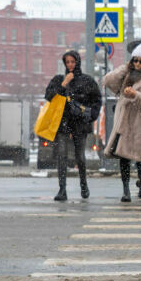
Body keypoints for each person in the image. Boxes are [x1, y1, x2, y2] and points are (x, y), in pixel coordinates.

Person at [103, 42, 141, 202]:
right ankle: (126, 190)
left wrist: (135, 95)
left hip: (139, 124)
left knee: (140, 159)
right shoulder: (127, 74)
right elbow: (108, 81)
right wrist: (125, 68)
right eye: (135, 60)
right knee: (124, 158)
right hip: (123, 123)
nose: (137, 64)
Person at [44, 50, 101, 201]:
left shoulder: (87, 81)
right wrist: (63, 84)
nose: (70, 65)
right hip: (63, 124)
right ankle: (62, 189)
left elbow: (96, 100)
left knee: (79, 157)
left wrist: (91, 116)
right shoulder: (59, 80)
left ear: (77, 62)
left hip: (79, 124)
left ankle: (84, 184)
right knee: (61, 155)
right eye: (67, 62)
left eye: (72, 62)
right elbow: (49, 96)